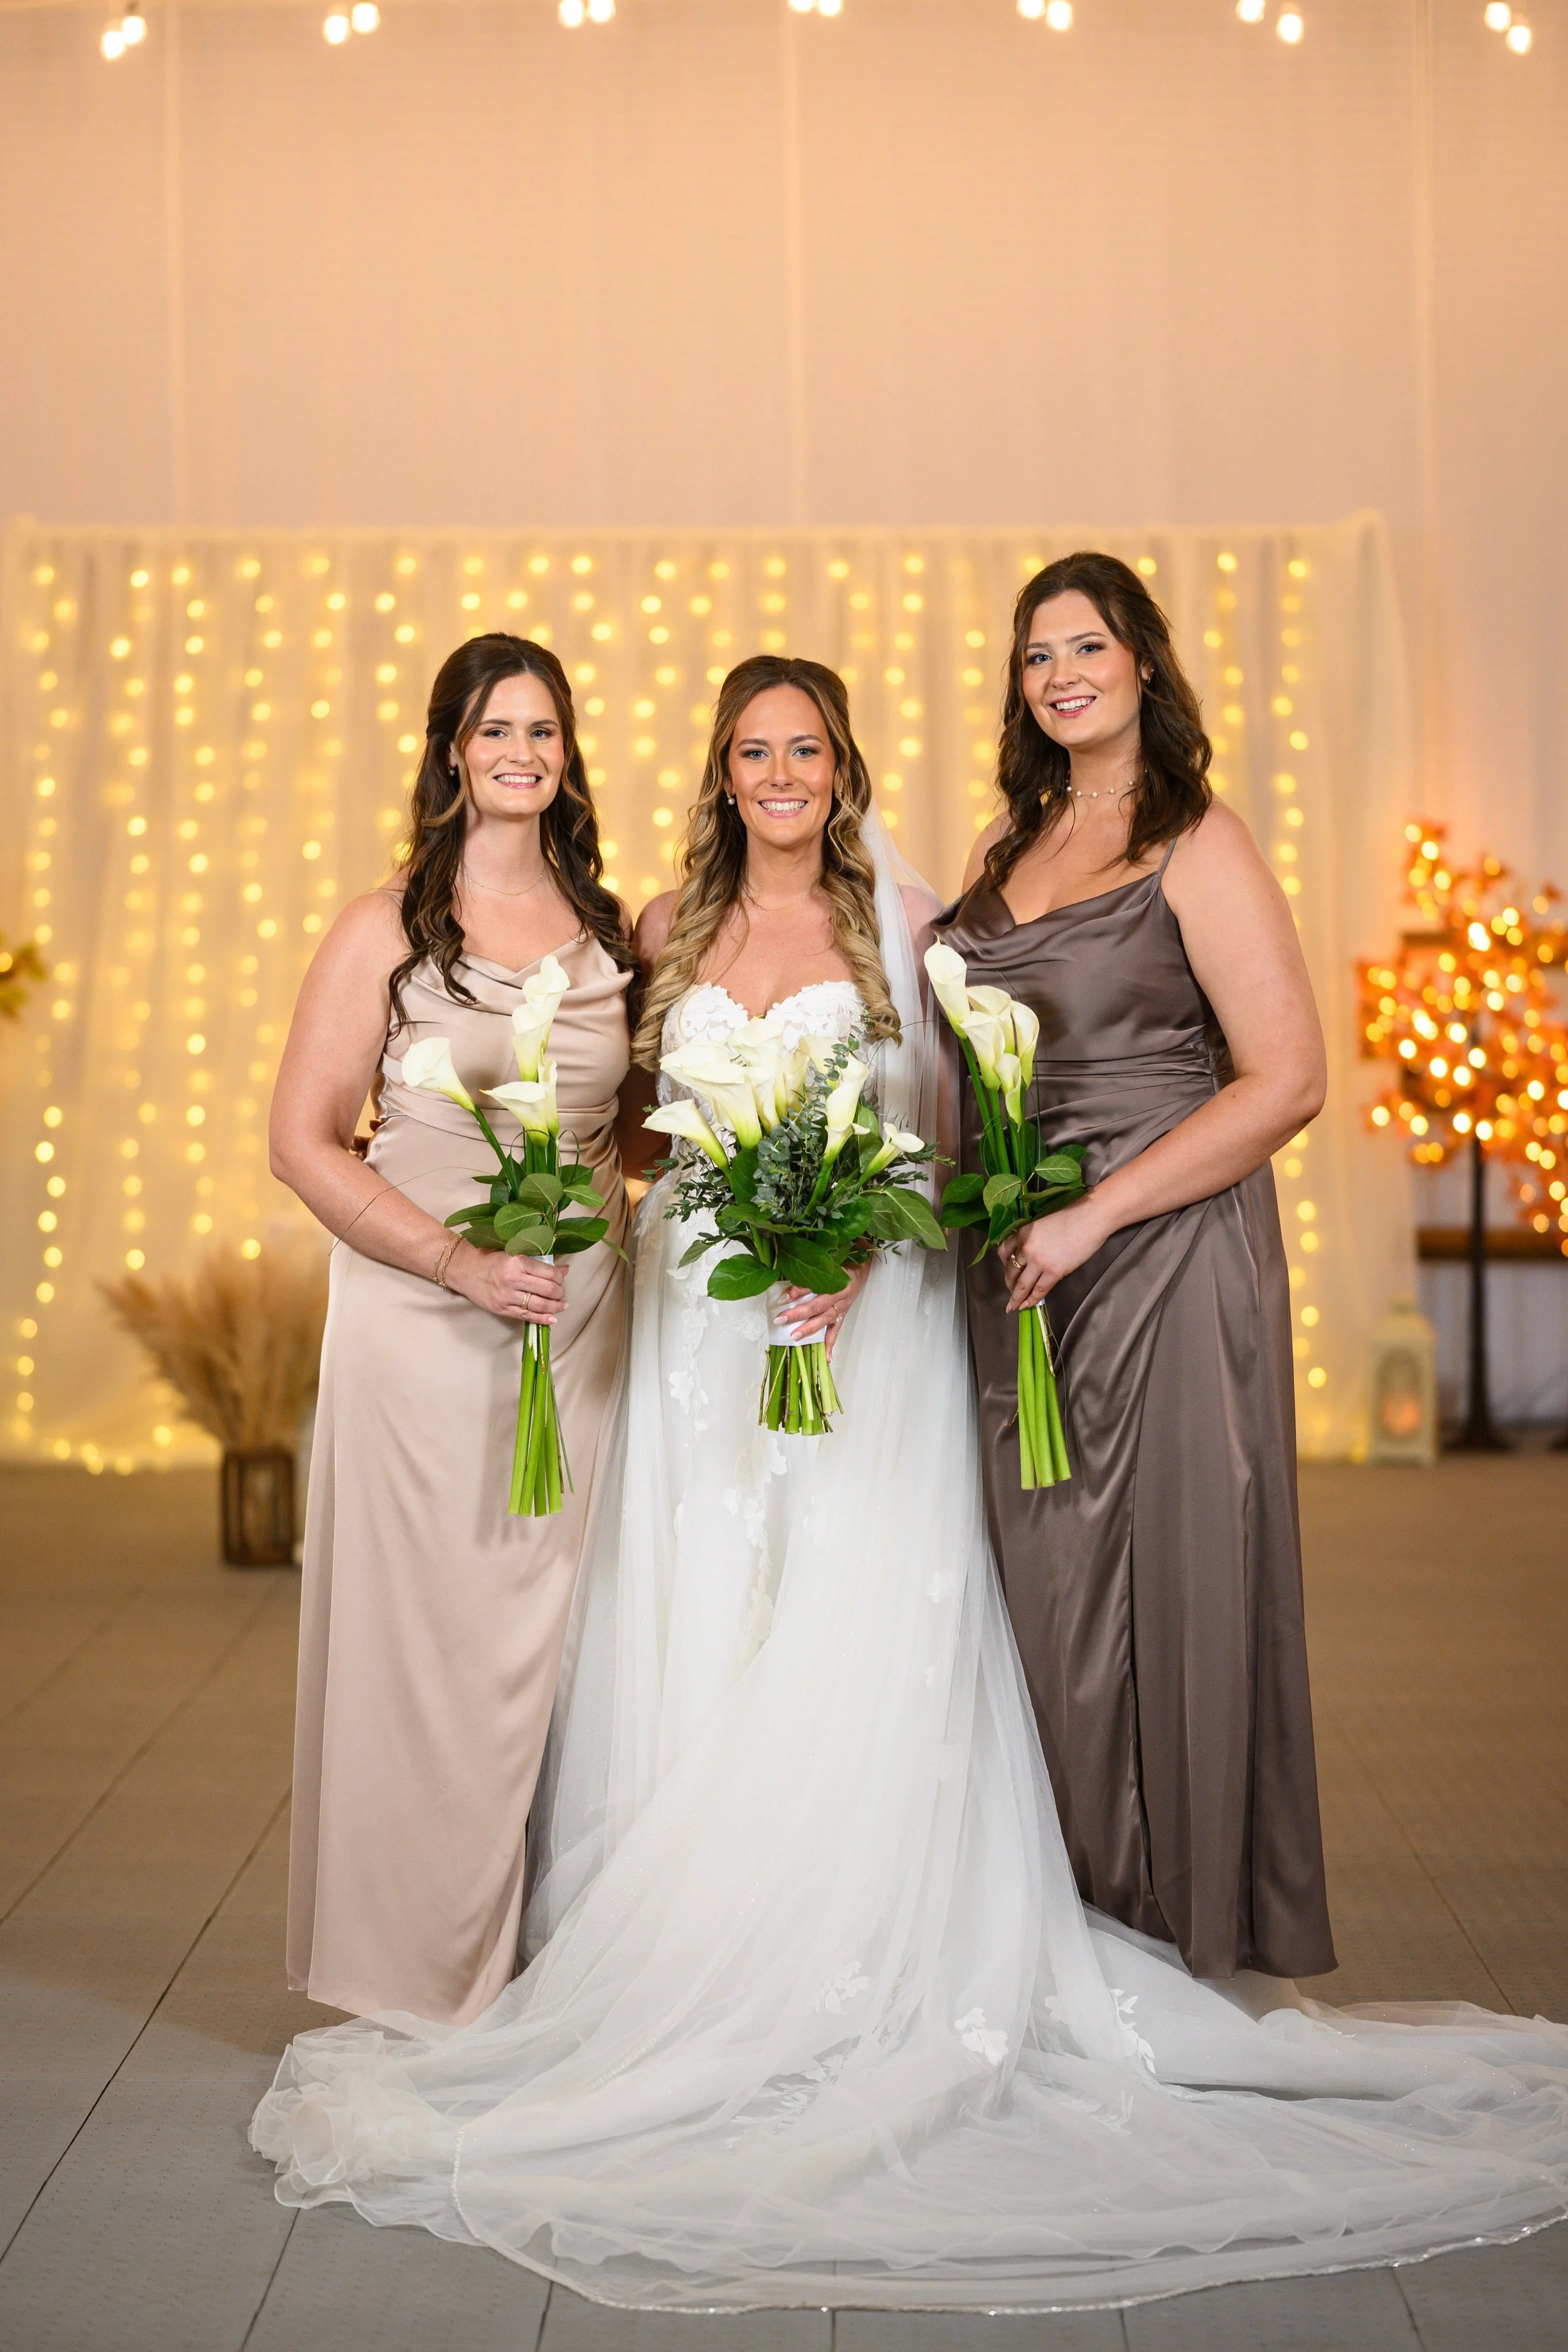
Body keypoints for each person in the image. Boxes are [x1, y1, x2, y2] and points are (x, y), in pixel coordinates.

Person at [252, 654, 1568, 2316]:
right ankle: (682, 1958)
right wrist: (680, 1198)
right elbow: (638, 1129)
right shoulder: (654, 924)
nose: (780, 773)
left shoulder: (917, 922)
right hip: (699, 1335)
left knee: (854, 1618)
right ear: (719, 772)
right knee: (699, 1620)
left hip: (850, 1330)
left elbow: (949, 1144)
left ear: (842, 764)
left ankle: (854, 1968)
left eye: (805, 747)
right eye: (752, 750)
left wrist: (855, 1244)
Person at [941, 551, 1334, 1983]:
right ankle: (1069, 1937)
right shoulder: (1006, 848)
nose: (1059, 675)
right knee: (1041, 1591)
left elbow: (1284, 1080)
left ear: (1144, 666)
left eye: (1086, 646)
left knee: (1168, 1589)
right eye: (1036, 653)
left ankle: (1175, 1939)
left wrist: (1095, 1218)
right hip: (1025, 1265)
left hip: (1163, 1256)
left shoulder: (1196, 840)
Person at [268, 632, 637, 2026]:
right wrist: (453, 1262)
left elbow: (646, 1127)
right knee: (418, 1648)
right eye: (495, 730)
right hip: (417, 1335)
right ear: (449, 752)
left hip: (578, 1332)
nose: (521, 753)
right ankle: (414, 1972)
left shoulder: (614, 936)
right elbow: (302, 1144)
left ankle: (531, 1955)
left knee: (546, 1651)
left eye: (543, 729)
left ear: (567, 752)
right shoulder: (382, 931)